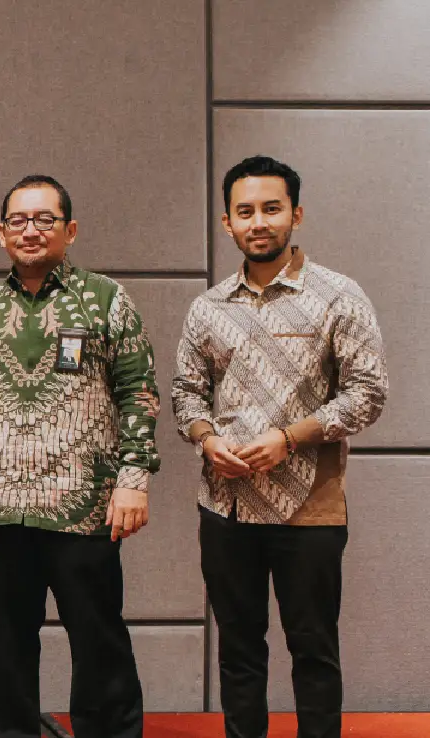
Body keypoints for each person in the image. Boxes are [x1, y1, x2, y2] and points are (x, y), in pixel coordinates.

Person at [0, 175, 159, 738]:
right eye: (18, 221)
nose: (31, 231)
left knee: (98, 638)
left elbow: (139, 391)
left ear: (70, 229)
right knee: (6, 645)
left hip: (84, 506)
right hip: (1, 508)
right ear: (1, 233)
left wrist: (134, 479)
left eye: (45, 220)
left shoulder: (105, 299)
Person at [172, 156, 387, 738]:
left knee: (313, 649)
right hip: (226, 506)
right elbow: (186, 395)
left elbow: (369, 393)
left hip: (310, 507)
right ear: (227, 222)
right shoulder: (208, 307)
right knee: (239, 652)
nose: (258, 221)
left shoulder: (338, 295)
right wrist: (207, 438)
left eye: (271, 208)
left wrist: (289, 438)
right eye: (245, 211)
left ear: (296, 213)